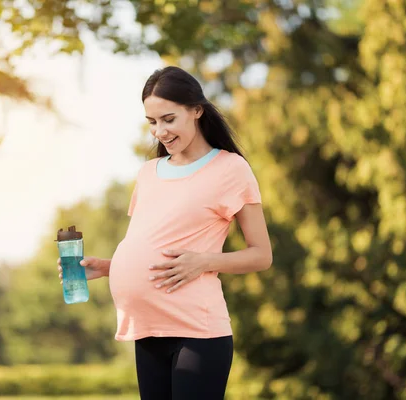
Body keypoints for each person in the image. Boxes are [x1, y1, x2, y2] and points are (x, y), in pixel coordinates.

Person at [57, 65, 272, 400]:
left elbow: (261, 254)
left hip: (197, 332)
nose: (160, 131)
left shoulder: (230, 168)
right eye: (152, 122)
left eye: (168, 119)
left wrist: (203, 262)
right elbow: (155, 243)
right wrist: (111, 266)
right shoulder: (147, 173)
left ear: (197, 110)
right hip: (147, 331)